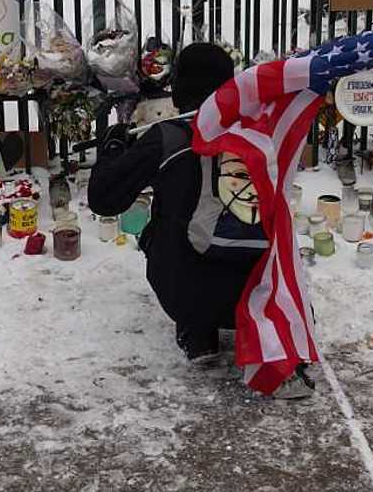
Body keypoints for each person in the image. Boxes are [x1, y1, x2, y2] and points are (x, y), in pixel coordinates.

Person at [87, 42, 314, 399]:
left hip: (187, 291)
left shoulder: (168, 137)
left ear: (179, 87)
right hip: (261, 292)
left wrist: (113, 150)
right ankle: (261, 333)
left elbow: (104, 200)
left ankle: (197, 332)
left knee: (159, 230)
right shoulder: (262, 137)